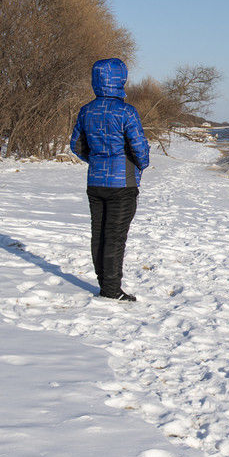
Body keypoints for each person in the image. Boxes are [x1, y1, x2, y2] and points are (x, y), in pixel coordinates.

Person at [70, 58, 150, 301]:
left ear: (96, 80)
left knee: (99, 234)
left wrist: (96, 160)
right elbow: (140, 148)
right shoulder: (126, 111)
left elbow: (76, 145)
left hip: (95, 182)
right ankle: (111, 290)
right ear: (120, 79)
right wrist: (139, 165)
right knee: (115, 236)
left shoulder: (86, 110)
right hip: (121, 183)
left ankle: (105, 284)